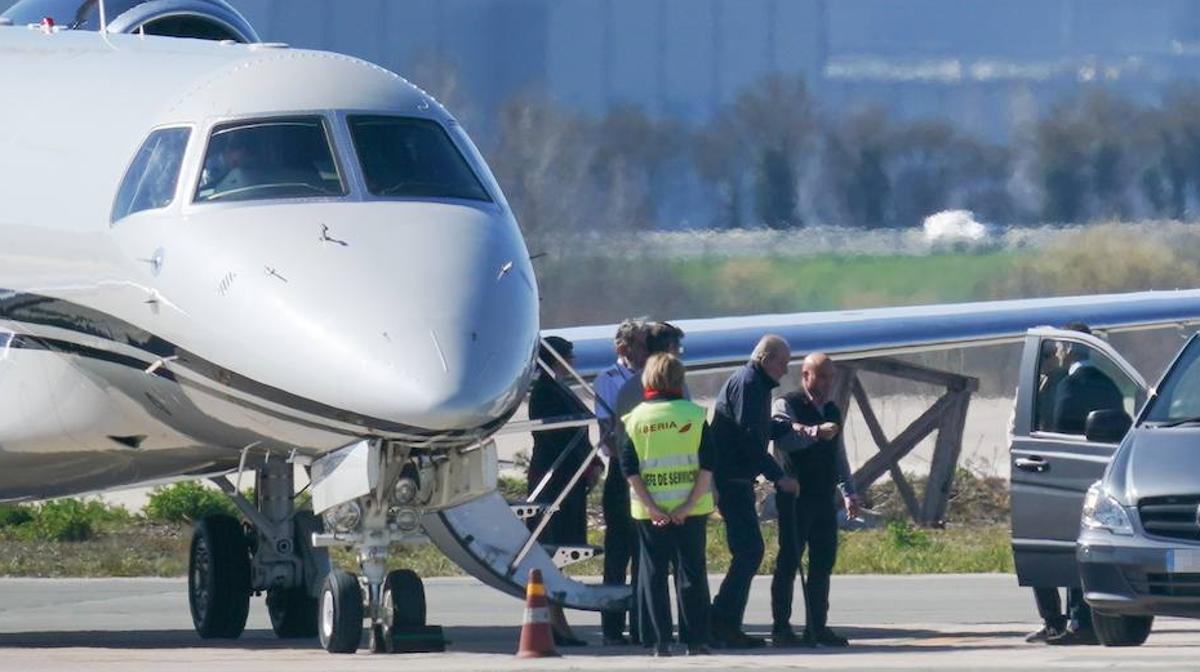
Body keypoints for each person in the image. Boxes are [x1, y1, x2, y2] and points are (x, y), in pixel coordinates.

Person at [620, 353, 714, 657]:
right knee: (691, 575)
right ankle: (695, 639)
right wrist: (687, 506)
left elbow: (629, 468)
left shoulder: (635, 420)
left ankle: (659, 640)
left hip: (650, 513)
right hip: (691, 511)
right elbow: (707, 467)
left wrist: (651, 506)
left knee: (653, 574)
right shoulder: (695, 416)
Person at [709, 334, 801, 648]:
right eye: (782, 362)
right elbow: (750, 440)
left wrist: (787, 427)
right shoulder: (749, 384)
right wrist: (778, 477)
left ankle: (722, 619)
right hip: (732, 480)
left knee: (748, 551)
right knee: (750, 550)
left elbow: (756, 429)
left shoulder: (755, 385)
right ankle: (722, 621)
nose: (785, 370)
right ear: (765, 358)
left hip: (738, 480)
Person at [769, 353, 860, 648]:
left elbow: (839, 454)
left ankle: (817, 626)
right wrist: (815, 434)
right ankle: (782, 628)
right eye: (819, 376)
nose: (824, 383)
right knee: (789, 562)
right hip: (796, 496)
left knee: (823, 562)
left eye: (829, 377)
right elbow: (784, 439)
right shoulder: (788, 404)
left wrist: (849, 491)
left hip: (823, 497)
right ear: (805, 375)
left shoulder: (832, 410)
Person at [610, 320, 688, 644]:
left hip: (653, 492)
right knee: (657, 566)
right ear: (668, 350)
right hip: (659, 493)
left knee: (648, 566)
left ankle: (649, 630)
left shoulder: (632, 390)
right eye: (676, 349)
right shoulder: (654, 391)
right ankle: (653, 630)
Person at [526, 335, 597, 647]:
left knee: (559, 550)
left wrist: (592, 463)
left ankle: (559, 619)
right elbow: (559, 435)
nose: (575, 363)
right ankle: (554, 620)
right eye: (570, 356)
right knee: (550, 547)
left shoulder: (557, 388)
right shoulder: (544, 391)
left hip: (569, 474)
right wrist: (586, 462)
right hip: (555, 476)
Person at [594, 319, 649, 646]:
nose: (646, 352)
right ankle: (613, 626)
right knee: (618, 553)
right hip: (621, 470)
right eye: (641, 345)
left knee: (646, 553)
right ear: (624, 349)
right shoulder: (609, 380)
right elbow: (609, 432)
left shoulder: (654, 377)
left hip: (649, 469)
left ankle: (642, 621)